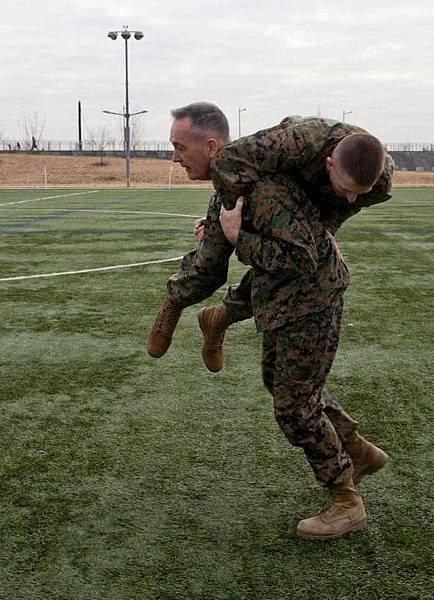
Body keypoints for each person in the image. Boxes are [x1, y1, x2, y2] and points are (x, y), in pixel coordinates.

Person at [147, 103, 390, 539]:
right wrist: (210, 238)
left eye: (179, 147)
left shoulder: (268, 188)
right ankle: (356, 448)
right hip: (288, 296)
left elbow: (303, 256)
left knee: (295, 409)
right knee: (282, 384)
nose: (174, 157)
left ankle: (346, 499)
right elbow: (214, 258)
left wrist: (240, 237)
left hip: (313, 298)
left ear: (212, 146)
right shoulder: (240, 182)